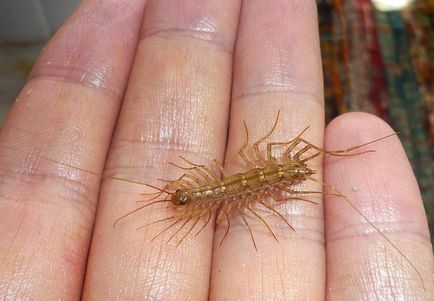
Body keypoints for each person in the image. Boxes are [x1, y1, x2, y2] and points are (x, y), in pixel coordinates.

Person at [0, 1, 432, 300]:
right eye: (183, 195)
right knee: (279, 187)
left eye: (182, 194)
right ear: (190, 193)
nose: (182, 197)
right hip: (254, 183)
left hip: (265, 177)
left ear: (190, 191)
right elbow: (218, 196)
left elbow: (224, 184)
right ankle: (336, 166)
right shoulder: (208, 196)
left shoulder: (207, 196)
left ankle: (341, 162)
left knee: (298, 171)